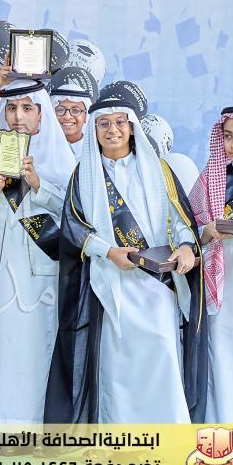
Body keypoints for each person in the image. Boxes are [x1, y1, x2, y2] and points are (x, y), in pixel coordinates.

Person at [46, 100, 206, 424]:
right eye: (104, 123)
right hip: (111, 284)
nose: (113, 130)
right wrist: (108, 252)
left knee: (162, 351)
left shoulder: (158, 168)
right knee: (116, 363)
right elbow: (74, 228)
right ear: (94, 129)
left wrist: (187, 246)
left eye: (120, 122)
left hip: (158, 285)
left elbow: (180, 220)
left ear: (132, 126)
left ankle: (169, 433)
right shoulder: (84, 173)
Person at [0, 80, 75, 427]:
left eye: (27, 108)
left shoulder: (59, 155)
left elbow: (74, 211)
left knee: (33, 349)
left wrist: (38, 184)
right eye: (11, 108)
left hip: (39, 274)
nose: (18, 116)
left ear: (41, 113)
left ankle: (31, 426)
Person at [189, 105, 233, 423]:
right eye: (228, 136)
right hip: (224, 277)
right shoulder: (211, 178)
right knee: (224, 352)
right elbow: (187, 229)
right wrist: (208, 231)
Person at [49, 82, 93, 160]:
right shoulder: (40, 149)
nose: (67, 117)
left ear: (86, 116)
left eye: (75, 110)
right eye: (60, 110)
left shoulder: (95, 150)